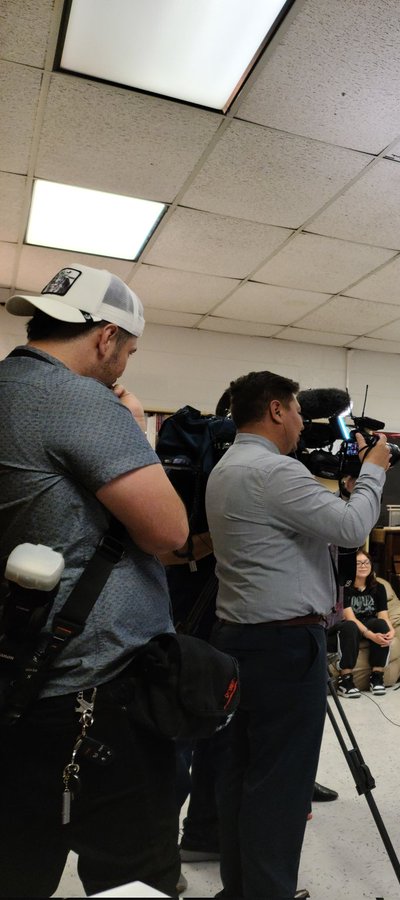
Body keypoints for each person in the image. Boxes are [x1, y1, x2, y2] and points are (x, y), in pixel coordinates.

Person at [0, 265, 189, 897]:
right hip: (92, 686)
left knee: (20, 860)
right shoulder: (80, 400)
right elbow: (168, 532)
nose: (123, 368)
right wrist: (135, 434)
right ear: (105, 337)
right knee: (133, 872)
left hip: (16, 679)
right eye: (127, 352)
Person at [206, 370, 390, 897]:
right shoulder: (274, 472)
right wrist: (374, 472)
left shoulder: (228, 467)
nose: (303, 423)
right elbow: (353, 530)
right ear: (277, 410)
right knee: (281, 783)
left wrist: (352, 487)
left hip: (238, 639)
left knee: (241, 772)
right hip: (285, 646)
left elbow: (320, 523)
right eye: (296, 410)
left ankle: (242, 887)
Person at [332, 550, 394, 697]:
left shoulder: (379, 587)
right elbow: (349, 617)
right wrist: (370, 635)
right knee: (351, 626)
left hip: (368, 622)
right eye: (358, 563)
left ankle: (377, 677)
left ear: (371, 566)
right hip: (347, 625)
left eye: (366, 563)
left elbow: (383, 615)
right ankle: (345, 680)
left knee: (381, 625)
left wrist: (391, 630)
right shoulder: (344, 587)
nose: (363, 566)